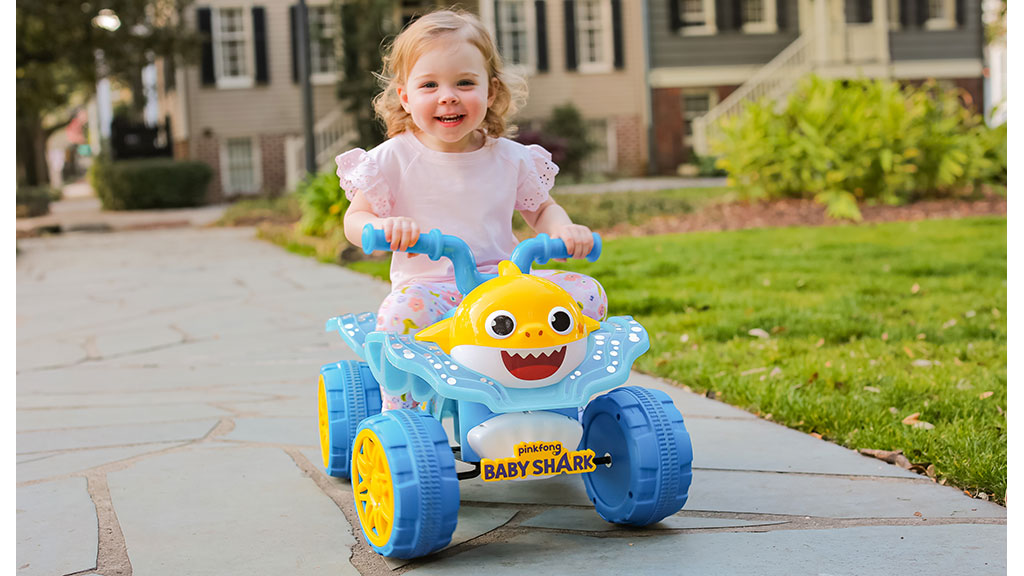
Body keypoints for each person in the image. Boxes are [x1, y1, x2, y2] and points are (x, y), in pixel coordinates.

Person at [338, 9, 607, 410]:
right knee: (397, 317)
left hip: (507, 283)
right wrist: (381, 227)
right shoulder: (390, 159)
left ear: (491, 92)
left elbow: (542, 210)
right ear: (405, 97)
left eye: (465, 82)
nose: (448, 96)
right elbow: (354, 220)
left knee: (588, 295)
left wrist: (564, 231)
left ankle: (565, 397)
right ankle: (404, 414)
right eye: (429, 84)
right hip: (433, 290)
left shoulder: (512, 158)